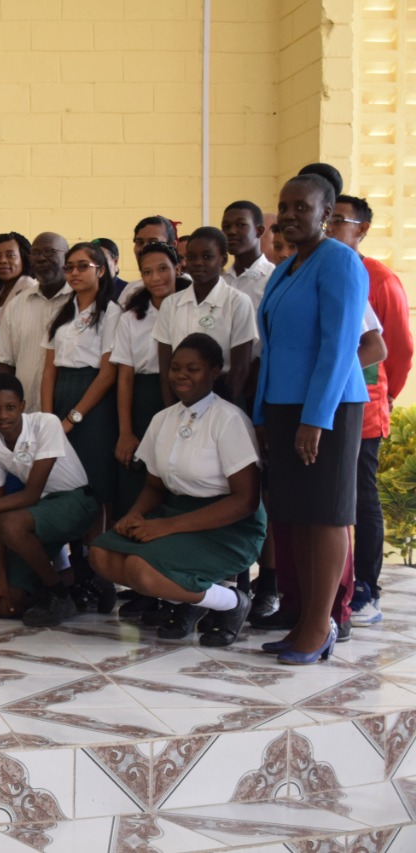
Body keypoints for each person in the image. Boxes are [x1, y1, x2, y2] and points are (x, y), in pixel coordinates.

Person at [254, 172, 369, 665]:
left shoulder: (339, 261)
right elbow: (272, 347)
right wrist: (262, 414)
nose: (290, 215)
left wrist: (315, 419)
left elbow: (340, 346)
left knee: (324, 515)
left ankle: (322, 625)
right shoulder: (285, 269)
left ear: (325, 213)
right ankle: (303, 619)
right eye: (285, 207)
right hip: (284, 408)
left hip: (328, 409)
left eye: (302, 207)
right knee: (295, 515)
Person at [91, 334, 265, 647]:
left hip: (228, 525)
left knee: (142, 570)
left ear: (214, 372)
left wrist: (165, 526)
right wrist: (135, 514)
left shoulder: (228, 419)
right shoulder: (163, 419)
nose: (181, 375)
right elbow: (154, 486)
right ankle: (191, 600)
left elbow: (246, 501)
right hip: (176, 511)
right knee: (101, 554)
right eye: (175, 368)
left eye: (192, 369)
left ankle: (232, 602)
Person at [0, 373, 98, 625]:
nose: (3, 416)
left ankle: (60, 593)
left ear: (22, 406)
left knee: (12, 523)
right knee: (6, 606)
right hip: (40, 510)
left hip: (77, 502)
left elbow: (31, 494)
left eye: (10, 407)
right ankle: (76, 580)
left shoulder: (46, 424)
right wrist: (1, 576)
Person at [327, 194, 414, 625]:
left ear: (361, 229)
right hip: (324, 404)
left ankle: (366, 588)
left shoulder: (379, 279)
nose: (329, 228)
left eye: (338, 221)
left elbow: (398, 348)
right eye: (327, 219)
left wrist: (386, 395)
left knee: (362, 497)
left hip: (364, 405)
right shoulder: (318, 270)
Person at [40, 242, 122, 521]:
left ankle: (96, 544)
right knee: (64, 480)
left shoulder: (111, 312)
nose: (74, 273)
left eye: (83, 266)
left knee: (94, 478)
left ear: (101, 270)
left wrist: (72, 418)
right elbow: (49, 371)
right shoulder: (61, 312)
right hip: (61, 392)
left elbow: (108, 373)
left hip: (93, 401)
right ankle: (73, 545)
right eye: (69, 267)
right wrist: (50, 419)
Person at [113, 243, 185, 516]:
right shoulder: (132, 318)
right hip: (143, 398)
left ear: (177, 268)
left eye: (163, 269)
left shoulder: (191, 308)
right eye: (147, 272)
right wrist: (125, 431)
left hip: (185, 394)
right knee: (138, 472)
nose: (156, 278)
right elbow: (125, 377)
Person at [153, 227, 256, 406]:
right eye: (191, 257)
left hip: (224, 395)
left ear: (223, 259)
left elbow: (240, 369)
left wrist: (217, 412)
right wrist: (173, 410)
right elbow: (165, 368)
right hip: (180, 395)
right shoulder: (171, 304)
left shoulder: (238, 302)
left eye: (207, 257)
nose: (198, 263)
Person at [0, 232, 71, 412]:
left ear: (67, 257)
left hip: (70, 412)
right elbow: (5, 364)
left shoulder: (79, 301)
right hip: (27, 412)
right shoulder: (16, 305)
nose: (41, 258)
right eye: (35, 253)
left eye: (50, 252)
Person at [0, 232, 35, 321]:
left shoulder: (29, 291)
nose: (2, 260)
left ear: (24, 258)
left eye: (10, 255)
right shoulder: (1, 292)